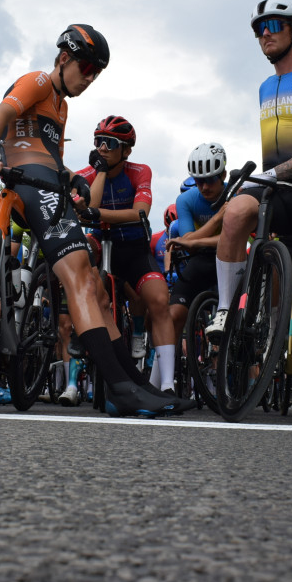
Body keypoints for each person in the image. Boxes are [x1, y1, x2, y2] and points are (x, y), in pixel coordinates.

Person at [0, 25, 192, 417]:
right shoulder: (38, 81)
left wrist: (71, 176)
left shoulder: (62, 106)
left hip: (47, 188)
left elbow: (51, 156)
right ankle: (121, 389)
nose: (89, 78)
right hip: (29, 189)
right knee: (79, 279)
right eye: (86, 68)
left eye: (96, 73)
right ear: (63, 59)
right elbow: (2, 112)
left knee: (96, 288)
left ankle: (132, 382)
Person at [206, 0, 292, 423]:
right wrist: (270, 177)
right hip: (277, 189)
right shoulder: (265, 88)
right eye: (259, 28)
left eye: (274, 25)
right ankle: (227, 308)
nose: (265, 32)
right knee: (234, 213)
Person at [75, 115, 179, 394]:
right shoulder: (85, 175)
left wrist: (96, 213)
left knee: (159, 300)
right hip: (101, 243)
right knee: (81, 251)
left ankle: (168, 383)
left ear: (127, 150)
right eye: (98, 141)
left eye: (110, 143)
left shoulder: (139, 170)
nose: (102, 148)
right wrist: (99, 172)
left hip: (133, 249)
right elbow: (86, 206)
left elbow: (140, 212)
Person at [166, 142, 227, 345]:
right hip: (200, 261)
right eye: (199, 181)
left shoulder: (236, 195)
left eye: (210, 180)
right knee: (173, 316)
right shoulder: (185, 199)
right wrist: (218, 219)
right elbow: (187, 240)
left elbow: (235, 239)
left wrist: (195, 241)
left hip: (229, 259)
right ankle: (162, 376)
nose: (204, 187)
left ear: (223, 176)